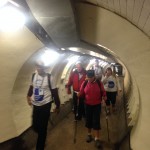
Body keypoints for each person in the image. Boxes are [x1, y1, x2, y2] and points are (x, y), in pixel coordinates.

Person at [27, 61, 60, 150]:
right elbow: (31, 86)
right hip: (36, 104)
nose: (39, 68)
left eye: (41, 67)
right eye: (38, 66)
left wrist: (57, 105)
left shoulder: (49, 77)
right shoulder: (33, 75)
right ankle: (41, 132)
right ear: (36, 66)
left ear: (44, 67)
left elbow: (54, 92)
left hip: (46, 104)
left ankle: (40, 147)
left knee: (42, 128)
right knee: (35, 126)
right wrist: (28, 96)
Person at [78, 70, 106, 149]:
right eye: (88, 77)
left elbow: (103, 91)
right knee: (88, 120)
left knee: (96, 121)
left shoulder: (99, 83)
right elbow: (81, 92)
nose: (89, 79)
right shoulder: (85, 83)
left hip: (97, 105)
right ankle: (89, 134)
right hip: (87, 105)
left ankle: (97, 138)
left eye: (91, 77)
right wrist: (79, 94)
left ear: (94, 76)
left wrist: (104, 96)